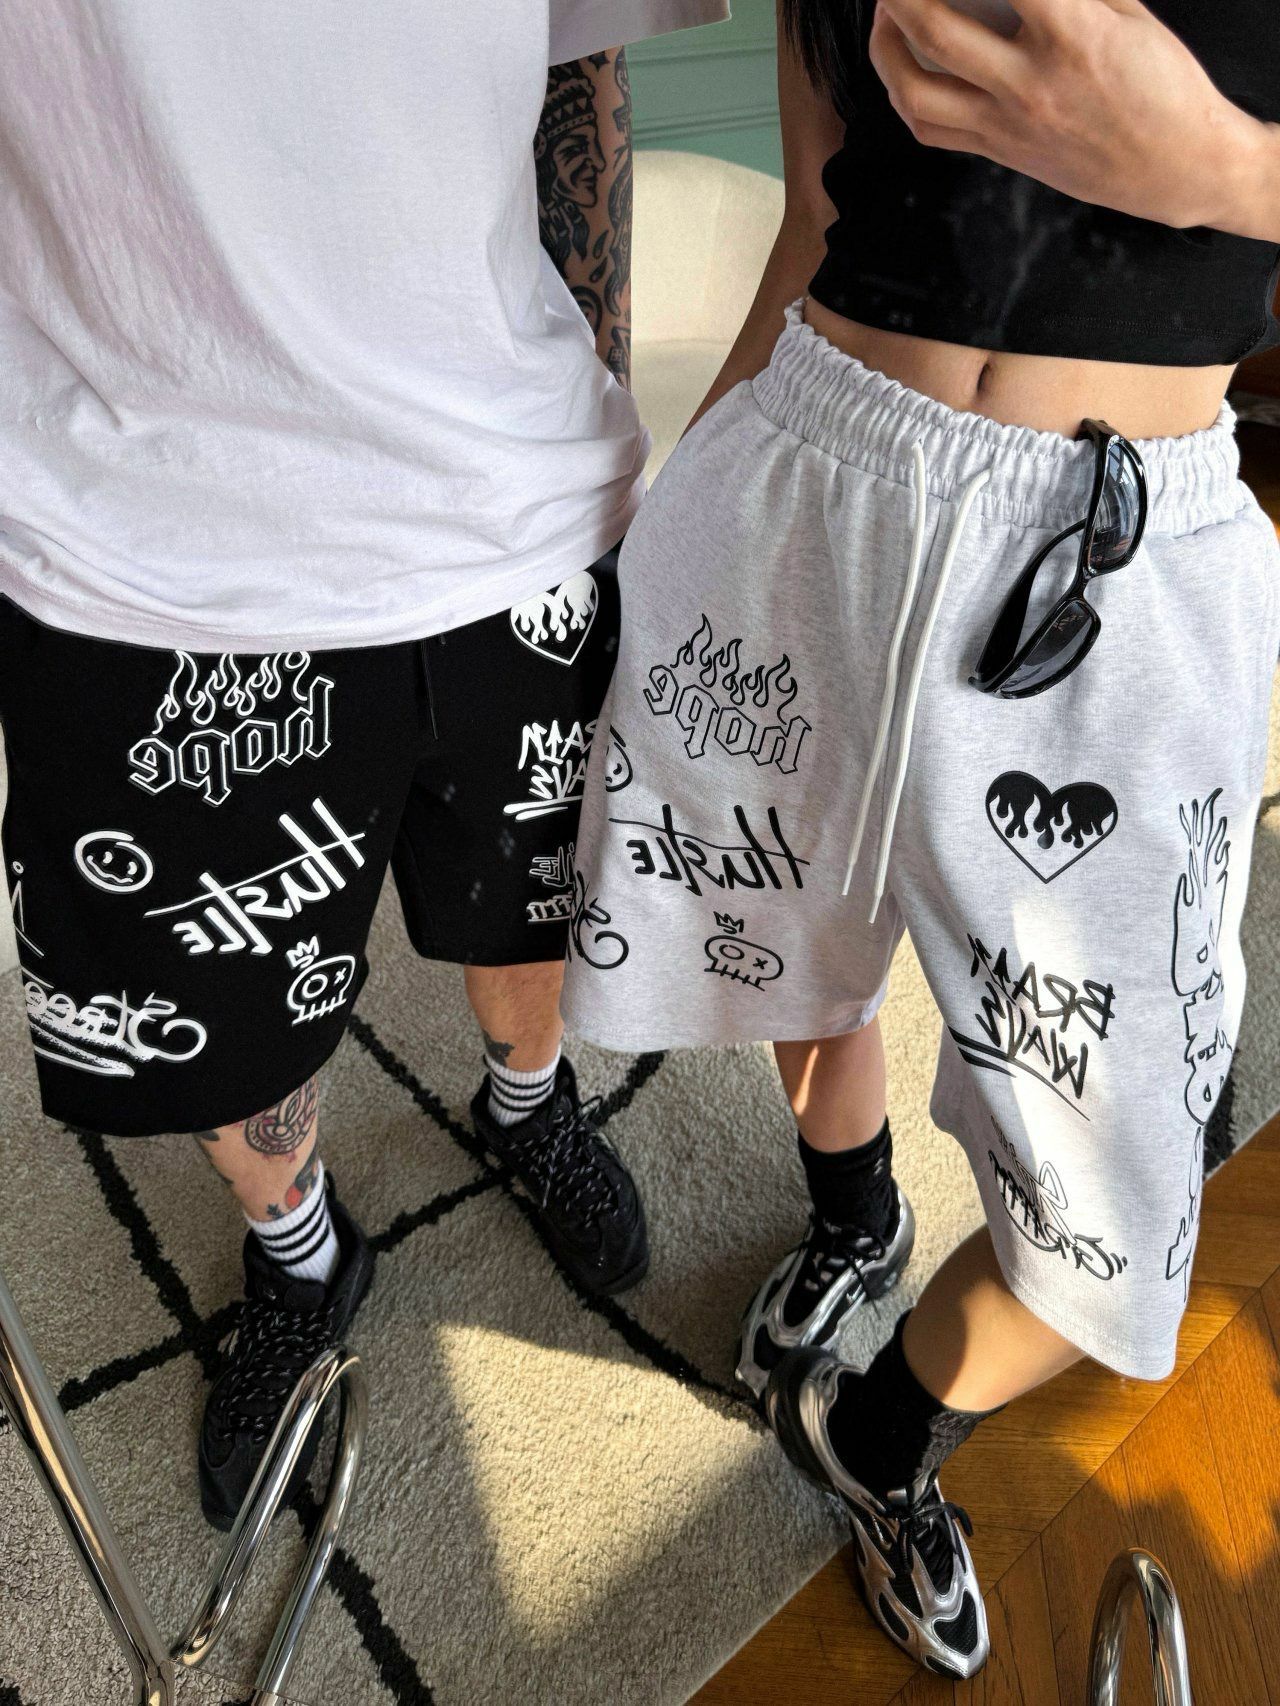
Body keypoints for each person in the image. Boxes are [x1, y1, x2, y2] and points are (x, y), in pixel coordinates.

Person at [562, 0, 1280, 1678]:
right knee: (775, 942)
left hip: (1122, 570)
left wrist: (1224, 170)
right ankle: (855, 1211)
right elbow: (817, 213)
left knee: (1114, 1216)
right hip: (807, 479)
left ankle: (871, 1432)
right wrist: (667, 523)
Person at [0, 0, 727, 1531]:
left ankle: (527, 1104)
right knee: (225, 1020)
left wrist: (585, 412)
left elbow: (575, 65)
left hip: (511, 498)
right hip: (147, 538)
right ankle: (300, 1255)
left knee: (541, 911)